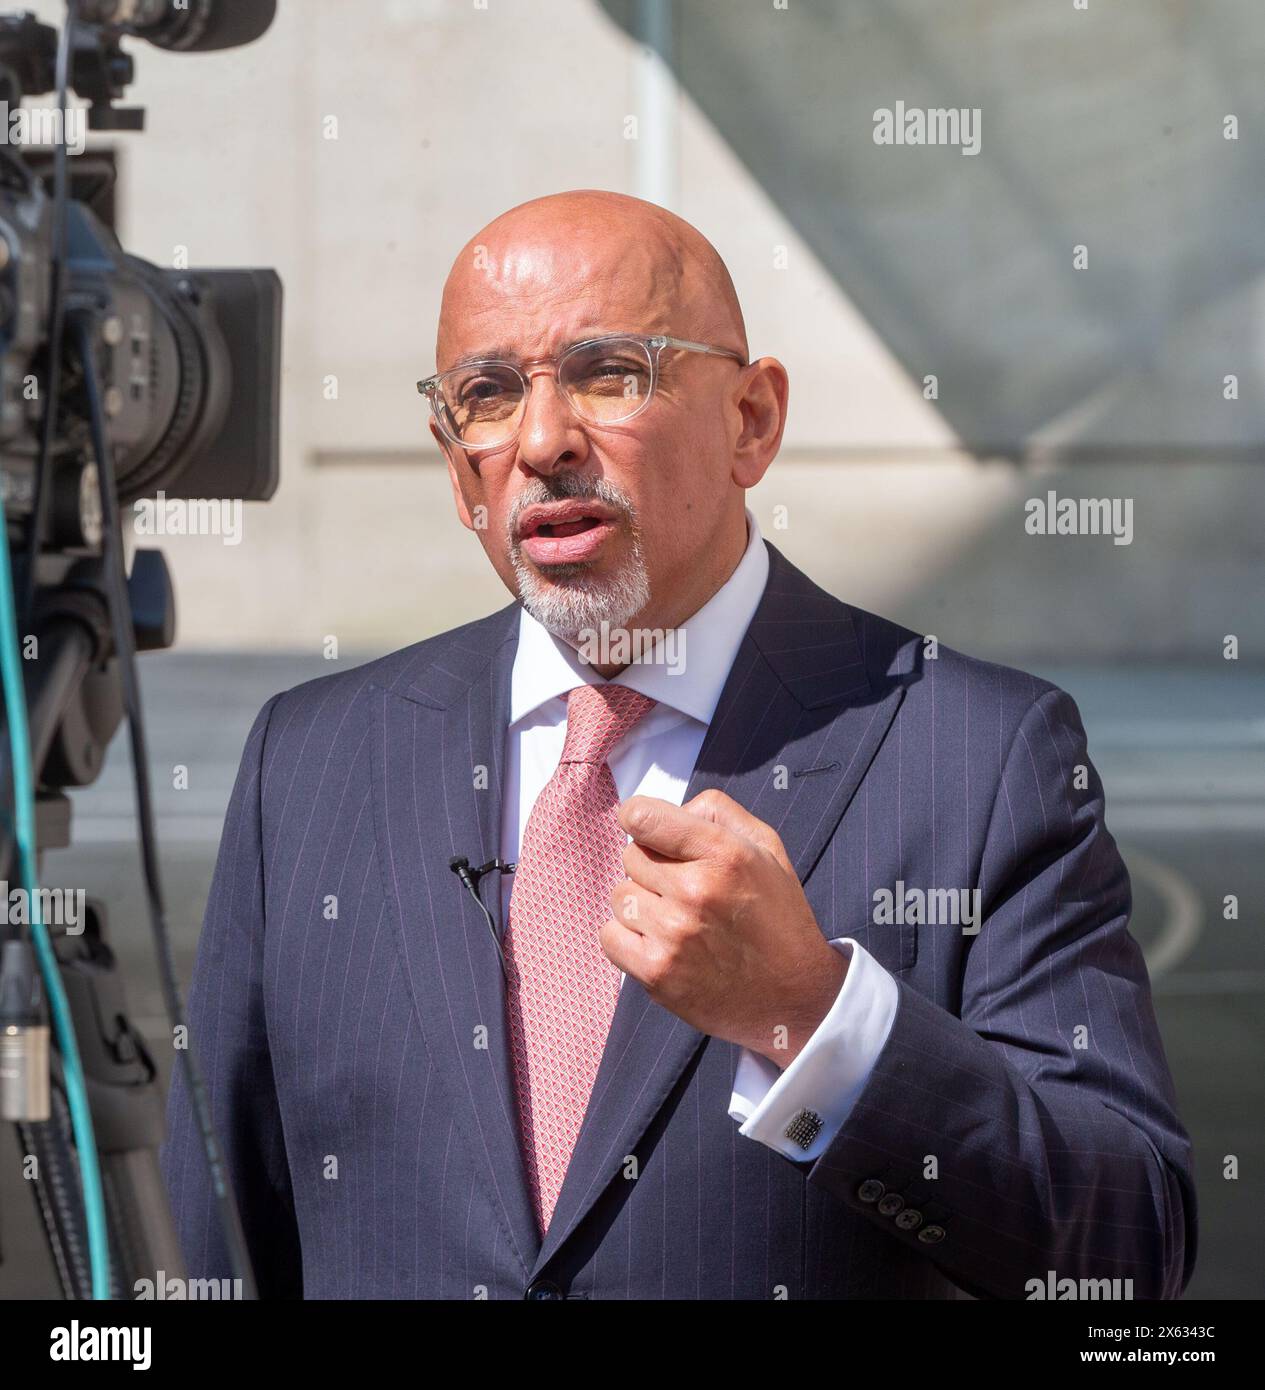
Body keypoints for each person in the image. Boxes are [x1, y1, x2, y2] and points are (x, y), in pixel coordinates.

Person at [161, 189, 1196, 1300]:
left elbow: (1121, 1245)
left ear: (750, 420)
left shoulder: (981, 755)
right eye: (488, 394)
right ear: (456, 461)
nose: (545, 439)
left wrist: (811, 1014)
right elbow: (208, 1243)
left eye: (609, 371)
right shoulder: (308, 763)